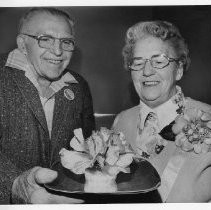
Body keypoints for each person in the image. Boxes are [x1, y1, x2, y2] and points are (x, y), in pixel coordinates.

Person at [0, 7, 95, 204]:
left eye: (66, 42)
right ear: (23, 44)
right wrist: (15, 184)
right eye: (46, 39)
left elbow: (88, 145)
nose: (58, 51)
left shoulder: (79, 86)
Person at [112, 20, 211, 202]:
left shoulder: (208, 119)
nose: (147, 71)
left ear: (179, 69)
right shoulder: (121, 121)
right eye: (138, 62)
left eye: (159, 61)